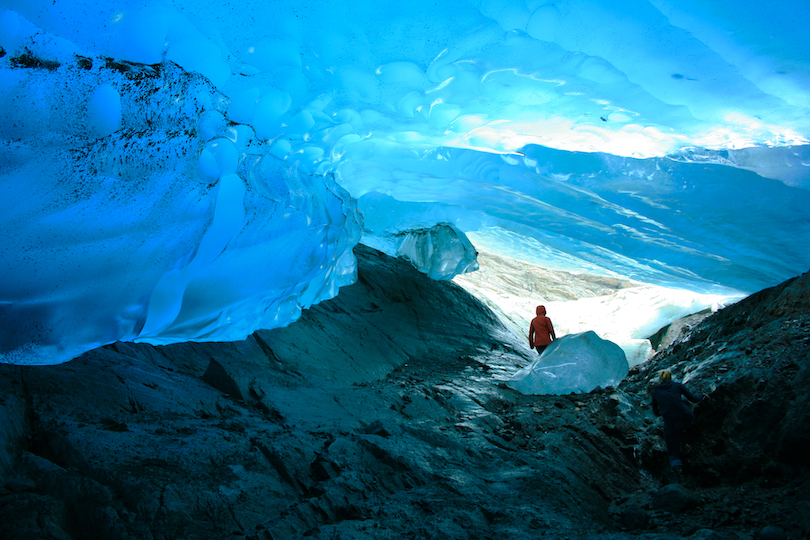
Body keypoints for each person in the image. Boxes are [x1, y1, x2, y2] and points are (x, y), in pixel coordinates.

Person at [651, 370, 709, 475]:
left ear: (659, 379)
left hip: (672, 421)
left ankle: (678, 469)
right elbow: (693, 399)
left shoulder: (655, 391)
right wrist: (703, 395)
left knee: (672, 447)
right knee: (686, 430)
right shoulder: (677, 386)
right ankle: (686, 446)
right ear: (670, 378)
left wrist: (663, 412)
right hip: (687, 417)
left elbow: (655, 411)